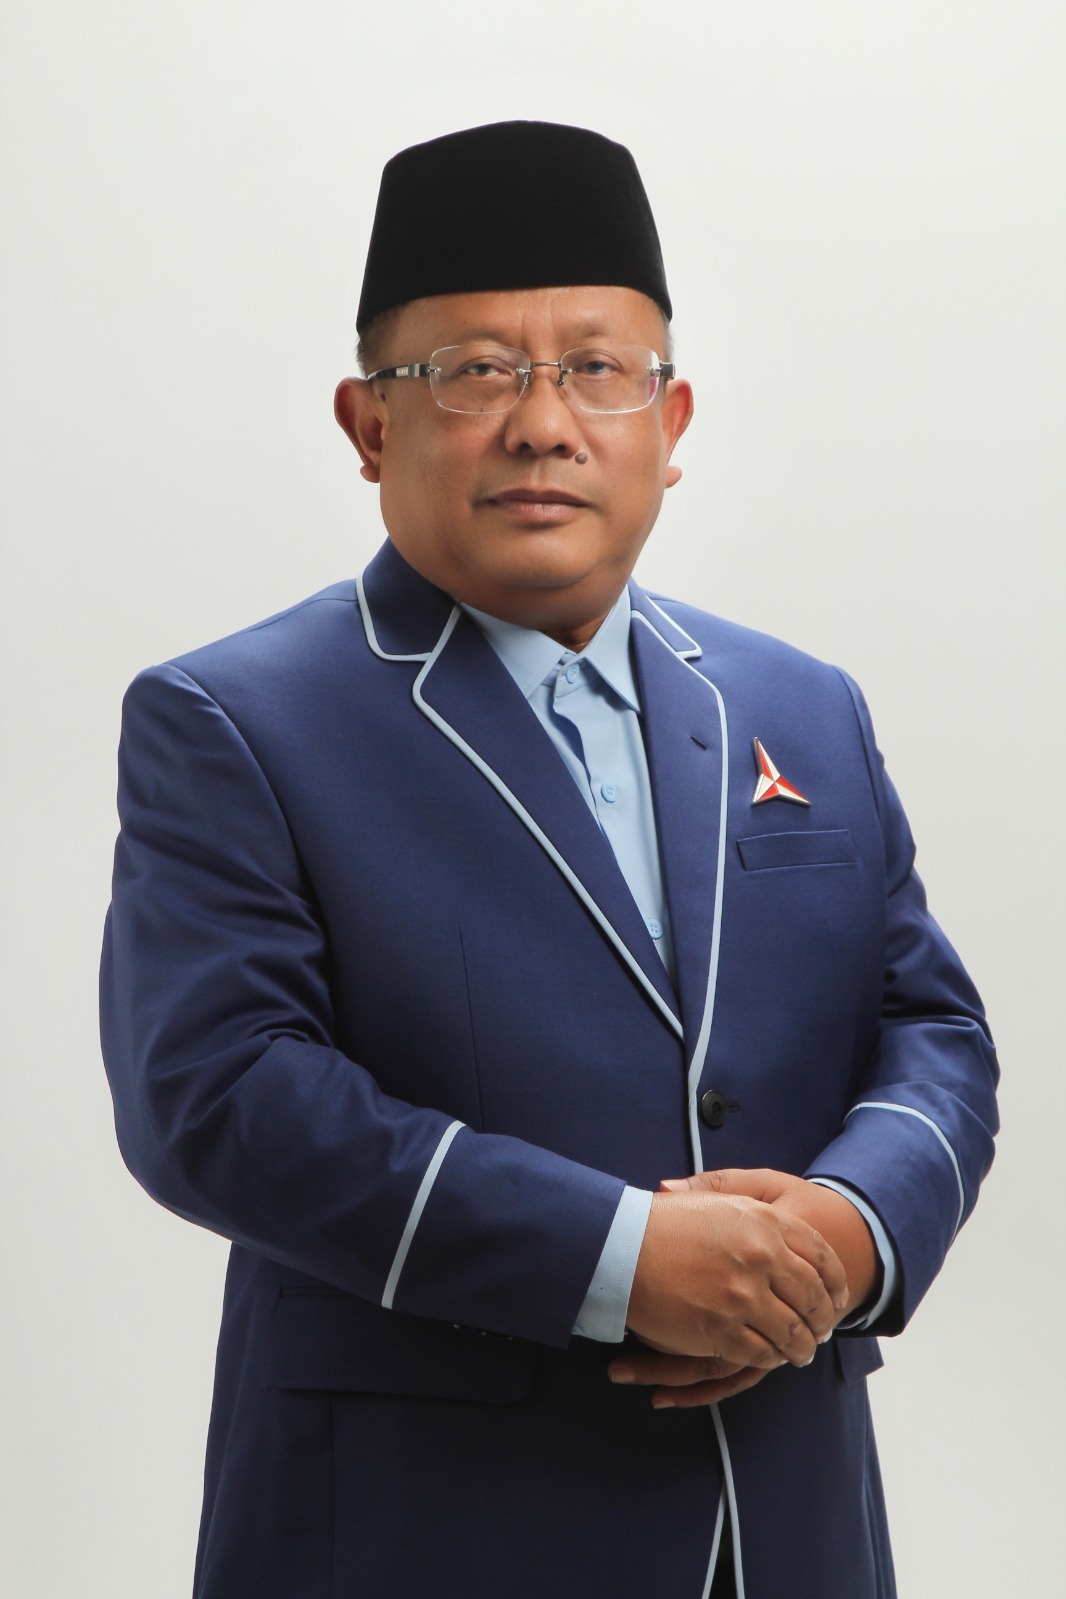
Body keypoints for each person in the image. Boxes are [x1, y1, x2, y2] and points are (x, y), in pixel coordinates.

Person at [100, 121, 999, 1599]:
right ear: (368, 426)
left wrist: (852, 1234)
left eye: (596, 368)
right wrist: (619, 1255)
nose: (542, 423)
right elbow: (219, 1095)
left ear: (670, 418)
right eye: (473, 370)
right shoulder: (236, 720)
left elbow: (929, 1031)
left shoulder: (799, 706)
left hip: (791, 1526)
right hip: (423, 1538)